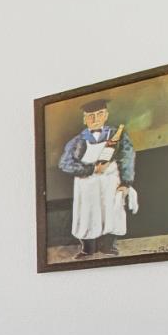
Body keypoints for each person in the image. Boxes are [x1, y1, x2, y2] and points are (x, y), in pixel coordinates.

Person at [58, 97, 136, 257]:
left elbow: (127, 157)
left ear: (106, 115)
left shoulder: (117, 135)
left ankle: (109, 246)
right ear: (85, 119)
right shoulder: (77, 141)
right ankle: (87, 248)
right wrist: (92, 168)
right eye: (91, 116)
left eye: (100, 114)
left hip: (111, 182)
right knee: (87, 214)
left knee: (111, 212)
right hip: (86, 185)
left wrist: (126, 183)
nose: (95, 119)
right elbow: (65, 163)